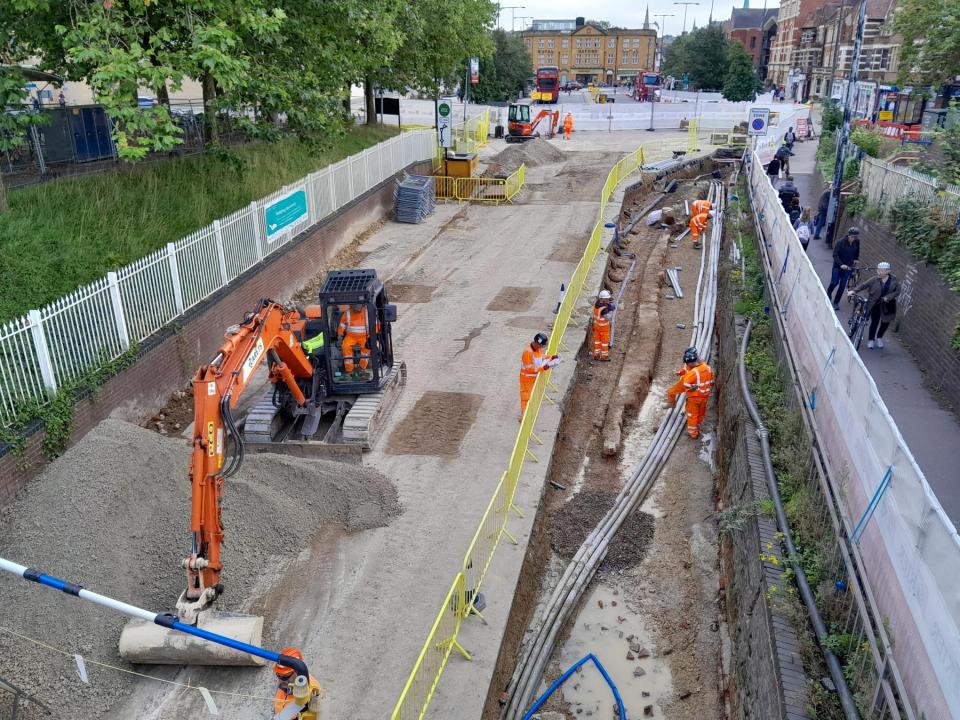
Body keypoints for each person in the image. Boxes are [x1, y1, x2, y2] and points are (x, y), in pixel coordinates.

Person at [848, 261, 900, 349]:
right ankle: (871, 339)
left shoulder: (894, 281)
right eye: (878, 270)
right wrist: (854, 291)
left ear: (888, 271)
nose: (879, 272)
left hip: (887, 305)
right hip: (875, 304)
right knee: (874, 322)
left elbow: (897, 291)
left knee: (885, 323)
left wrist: (888, 297)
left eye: (881, 271)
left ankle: (879, 337)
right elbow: (863, 285)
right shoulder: (874, 279)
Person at [667, 346, 714, 439]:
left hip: (694, 397)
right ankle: (698, 425)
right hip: (705, 396)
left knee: (692, 415)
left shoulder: (694, 372)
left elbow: (685, 384)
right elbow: (712, 382)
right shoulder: (707, 368)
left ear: (691, 362)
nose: (687, 365)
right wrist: (680, 373)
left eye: (688, 363)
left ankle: (693, 433)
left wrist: (692, 388)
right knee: (701, 412)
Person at [273, 647, 322, 716]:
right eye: (278, 675)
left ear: (298, 672)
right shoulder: (286, 683)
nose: (280, 680)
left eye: (285, 676)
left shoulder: (312, 691)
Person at [519, 332, 559, 416]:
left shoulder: (537, 349)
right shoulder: (528, 352)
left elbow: (541, 357)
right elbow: (529, 368)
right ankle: (524, 416)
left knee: (533, 396)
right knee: (526, 397)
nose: (542, 347)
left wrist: (551, 357)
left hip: (534, 377)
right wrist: (542, 368)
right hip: (527, 379)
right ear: (537, 343)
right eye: (542, 345)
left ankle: (530, 413)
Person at [826, 227, 861, 310]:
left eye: (855, 237)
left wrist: (856, 259)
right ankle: (829, 292)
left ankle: (836, 302)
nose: (854, 238)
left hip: (848, 267)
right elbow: (835, 255)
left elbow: (857, 251)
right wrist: (841, 264)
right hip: (838, 266)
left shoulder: (857, 242)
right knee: (834, 283)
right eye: (852, 236)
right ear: (849, 235)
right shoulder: (840, 242)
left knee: (842, 286)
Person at [337, 303, 372, 377]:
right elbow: (341, 326)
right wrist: (340, 336)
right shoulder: (347, 313)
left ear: (362, 304)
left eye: (358, 305)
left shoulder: (368, 312)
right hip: (350, 336)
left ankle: (362, 367)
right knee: (345, 346)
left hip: (365, 336)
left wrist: (374, 335)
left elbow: (375, 324)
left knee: (367, 347)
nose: (356, 307)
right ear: (351, 305)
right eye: (354, 305)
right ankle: (349, 370)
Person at [592, 290, 616, 361]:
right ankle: (604, 356)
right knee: (604, 343)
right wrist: (611, 310)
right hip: (603, 329)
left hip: (597, 327)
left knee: (597, 341)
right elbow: (608, 317)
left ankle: (596, 355)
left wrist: (608, 305)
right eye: (606, 299)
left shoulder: (597, 304)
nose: (608, 300)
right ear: (602, 299)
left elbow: (602, 309)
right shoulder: (603, 309)